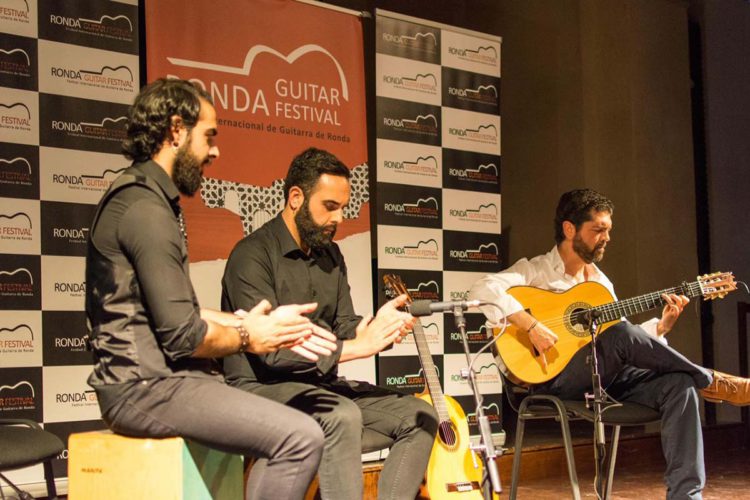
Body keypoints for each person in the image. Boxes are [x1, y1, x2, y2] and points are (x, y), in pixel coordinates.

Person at [85, 78, 340, 500]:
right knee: (300, 437)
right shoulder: (144, 209)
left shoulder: (147, 200)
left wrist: (248, 320)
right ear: (175, 131)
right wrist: (249, 337)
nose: (215, 151)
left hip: (162, 383)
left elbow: (174, 312)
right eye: (209, 136)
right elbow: (182, 334)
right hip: (143, 389)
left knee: (296, 427)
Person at [470, 188, 750, 499]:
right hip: (553, 379)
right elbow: (481, 289)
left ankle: (686, 496)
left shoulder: (600, 283)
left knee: (679, 385)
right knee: (618, 336)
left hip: (606, 379)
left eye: (608, 230)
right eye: (598, 229)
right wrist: (531, 324)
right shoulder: (535, 270)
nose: (606, 238)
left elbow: (625, 339)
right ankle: (712, 380)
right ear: (569, 228)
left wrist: (660, 326)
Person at [220, 147, 439, 500]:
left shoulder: (330, 255)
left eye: (343, 207)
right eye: (330, 206)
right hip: (261, 388)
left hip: (321, 387)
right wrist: (354, 347)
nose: (339, 218)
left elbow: (345, 324)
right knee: (342, 416)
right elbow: (271, 354)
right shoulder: (251, 255)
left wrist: (377, 329)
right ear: (295, 197)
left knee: (421, 416)